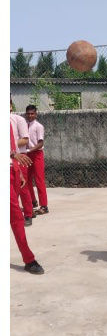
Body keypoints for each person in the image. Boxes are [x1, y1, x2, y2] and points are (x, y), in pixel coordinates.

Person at [10, 115, 43, 274]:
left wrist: (17, 169)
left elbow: (14, 146)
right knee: (15, 214)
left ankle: (28, 259)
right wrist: (12, 154)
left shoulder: (11, 121)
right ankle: (29, 259)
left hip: (12, 169)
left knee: (15, 214)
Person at [9, 101, 33, 226]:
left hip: (20, 156)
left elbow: (25, 139)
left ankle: (28, 214)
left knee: (22, 187)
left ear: (11, 106)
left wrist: (9, 145)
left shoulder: (18, 120)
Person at [23, 105, 48, 214]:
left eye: (32, 113)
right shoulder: (24, 125)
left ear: (36, 114)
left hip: (36, 154)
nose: (30, 115)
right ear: (26, 114)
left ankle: (44, 205)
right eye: (28, 113)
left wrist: (29, 150)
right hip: (27, 154)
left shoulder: (39, 126)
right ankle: (32, 201)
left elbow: (40, 143)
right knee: (26, 179)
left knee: (39, 180)